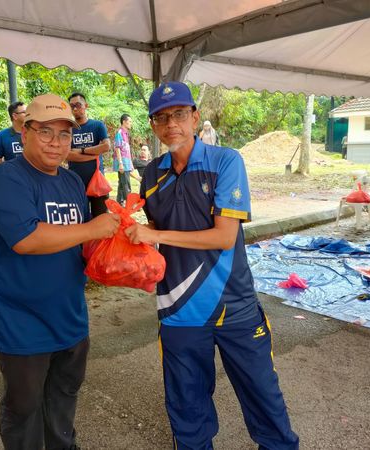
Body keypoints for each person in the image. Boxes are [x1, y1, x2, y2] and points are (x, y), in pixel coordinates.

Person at [125, 82, 299, 450]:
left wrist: (155, 234)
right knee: (187, 408)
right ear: (153, 126)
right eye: (161, 118)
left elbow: (223, 236)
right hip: (178, 308)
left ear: (195, 117)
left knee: (263, 398)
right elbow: (154, 230)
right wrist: (129, 236)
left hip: (234, 305)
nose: (171, 124)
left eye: (179, 114)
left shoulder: (225, 162)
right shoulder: (151, 174)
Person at [0, 93, 120, 450]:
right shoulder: (6, 178)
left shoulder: (72, 183)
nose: (56, 142)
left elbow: (80, 242)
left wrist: (119, 248)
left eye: (64, 134)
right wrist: (92, 229)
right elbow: (26, 239)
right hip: (21, 321)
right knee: (24, 406)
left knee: (64, 395)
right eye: (45, 132)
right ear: (25, 132)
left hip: (70, 315)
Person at [65, 92, 111, 217]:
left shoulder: (97, 125)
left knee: (100, 219)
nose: (75, 109)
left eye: (78, 105)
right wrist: (94, 154)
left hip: (97, 182)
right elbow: (67, 155)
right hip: (75, 182)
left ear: (86, 105)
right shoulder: (68, 128)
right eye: (72, 106)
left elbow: (106, 146)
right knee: (78, 219)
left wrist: (81, 150)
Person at [0, 101, 27, 167]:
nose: (28, 114)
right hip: (12, 173)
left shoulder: (34, 133)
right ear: (15, 116)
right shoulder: (2, 136)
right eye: (25, 112)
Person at [113, 114, 134, 206]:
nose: (131, 123)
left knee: (122, 183)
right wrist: (120, 163)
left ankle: (119, 203)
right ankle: (129, 203)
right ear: (124, 122)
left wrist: (131, 164)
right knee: (126, 183)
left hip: (126, 162)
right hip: (122, 162)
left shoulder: (126, 134)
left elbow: (127, 151)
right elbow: (117, 148)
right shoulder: (120, 133)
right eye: (130, 121)